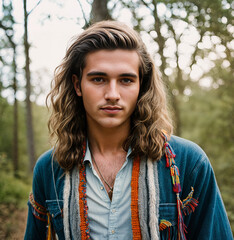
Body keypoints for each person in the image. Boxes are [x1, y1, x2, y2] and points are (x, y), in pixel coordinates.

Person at [24, 21, 233, 240]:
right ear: (77, 85)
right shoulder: (50, 169)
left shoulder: (188, 163)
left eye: (126, 80)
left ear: (140, 86)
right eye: (98, 79)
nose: (112, 94)